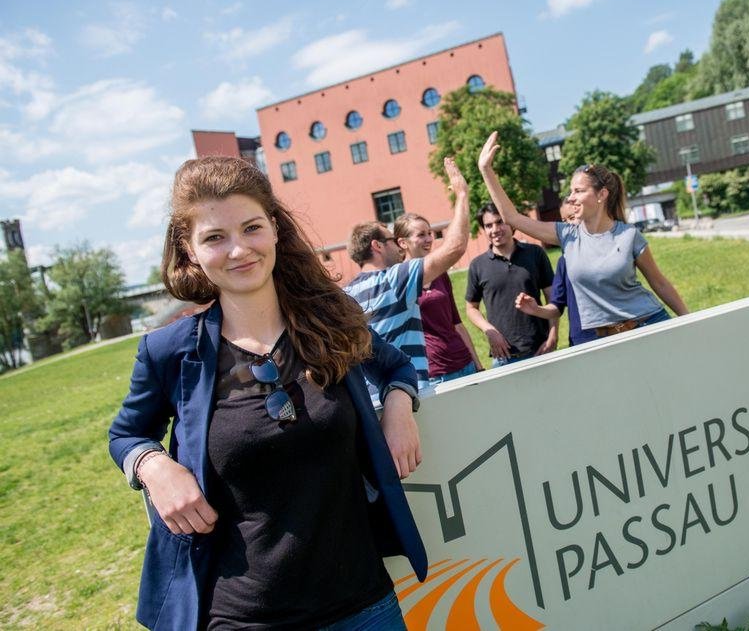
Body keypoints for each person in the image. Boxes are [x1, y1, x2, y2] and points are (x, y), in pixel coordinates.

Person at [108, 156, 426, 630]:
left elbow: (395, 364)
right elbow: (126, 433)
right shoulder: (168, 351)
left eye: (251, 228)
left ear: (274, 229)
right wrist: (151, 465)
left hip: (364, 605)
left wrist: (399, 404)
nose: (239, 250)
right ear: (190, 250)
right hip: (243, 616)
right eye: (215, 237)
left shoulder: (329, 318)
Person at [479, 131, 689, 337]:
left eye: (578, 191)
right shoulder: (567, 235)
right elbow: (512, 218)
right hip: (602, 339)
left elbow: (659, 283)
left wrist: (689, 321)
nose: (570, 198)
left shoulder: (629, 236)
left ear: (601, 195)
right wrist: (486, 170)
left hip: (647, 324)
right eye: (570, 191)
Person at [344, 157, 470, 390]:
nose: (398, 246)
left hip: (372, 399)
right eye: (392, 240)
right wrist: (461, 194)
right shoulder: (394, 280)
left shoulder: (345, 295)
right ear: (377, 246)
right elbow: (456, 248)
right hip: (406, 394)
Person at [392, 212, 485, 383]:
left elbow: (456, 323)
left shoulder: (441, 275)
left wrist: (477, 364)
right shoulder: (397, 281)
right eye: (421, 235)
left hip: (464, 363)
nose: (429, 239)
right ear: (402, 242)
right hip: (433, 374)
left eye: (429, 233)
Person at [465, 202, 558, 367]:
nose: (495, 229)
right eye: (488, 225)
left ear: (512, 224)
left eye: (500, 222)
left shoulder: (535, 253)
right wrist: (490, 331)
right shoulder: (477, 265)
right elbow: (471, 308)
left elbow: (552, 297)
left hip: (540, 350)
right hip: (503, 357)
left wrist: (553, 336)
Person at [515, 203, 597, 346]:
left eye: (572, 218)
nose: (567, 225)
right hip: (582, 341)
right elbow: (556, 307)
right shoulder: (564, 261)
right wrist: (536, 309)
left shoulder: (610, 253)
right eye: (563, 221)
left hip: (616, 334)